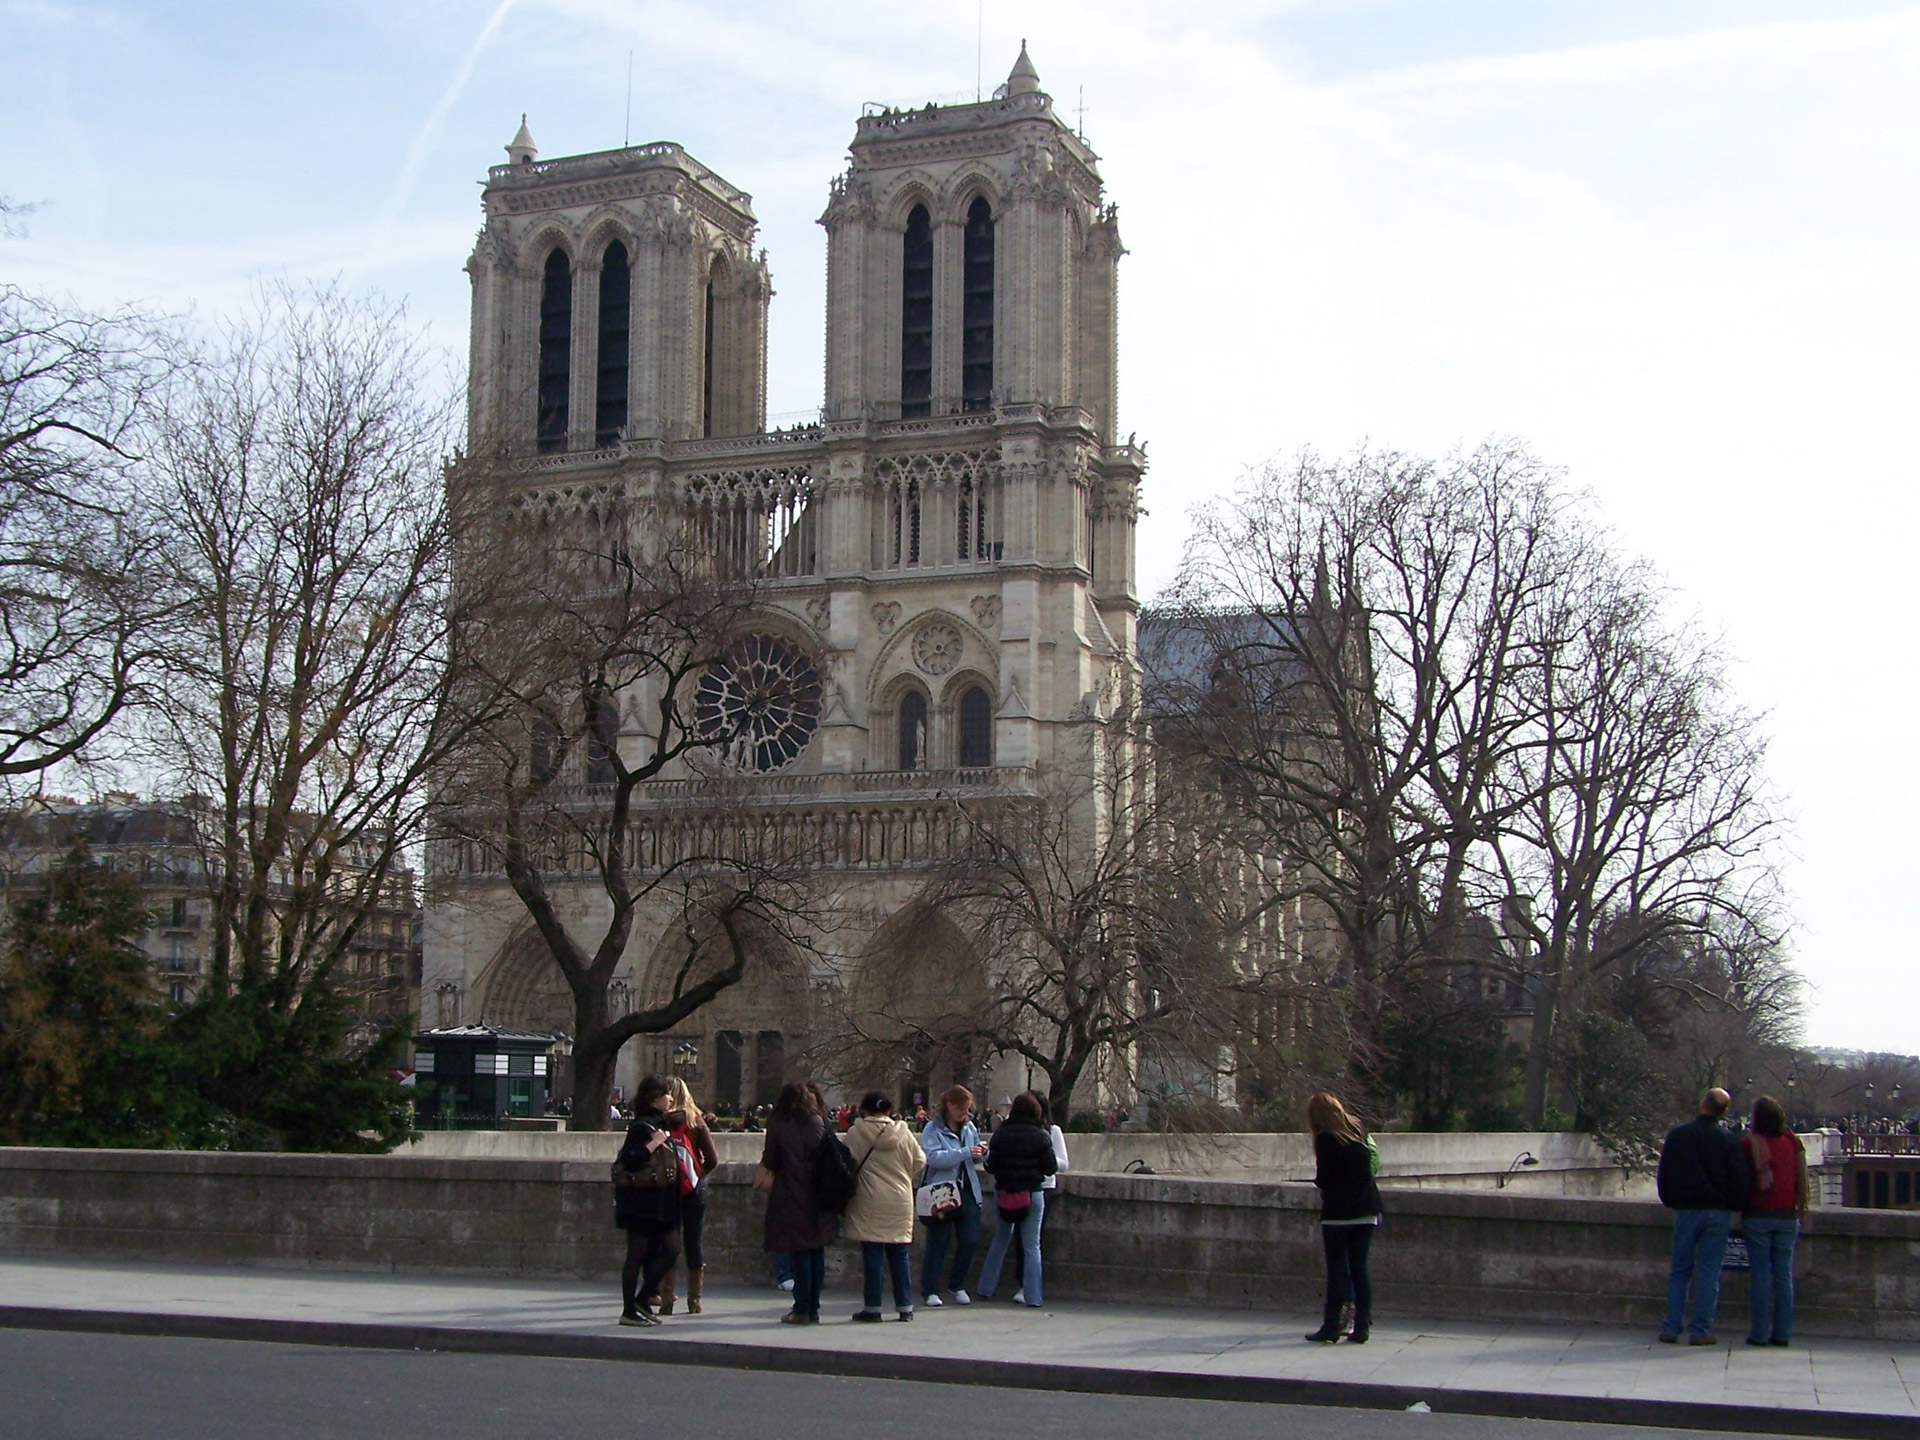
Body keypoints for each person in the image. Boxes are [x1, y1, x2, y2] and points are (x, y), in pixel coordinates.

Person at [1655, 1087, 1752, 1345]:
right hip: (1718, 1211)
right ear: (1724, 1112)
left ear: (1702, 1105)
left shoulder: (1678, 1135)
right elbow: (1739, 1178)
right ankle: (1700, 1329)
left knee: (1680, 1271)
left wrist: (1670, 1199)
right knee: (1709, 1272)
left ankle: (1672, 1326)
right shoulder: (1729, 1139)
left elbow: (1665, 1173)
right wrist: (1734, 1203)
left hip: (1687, 1209)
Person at [1304, 1090, 1381, 1344]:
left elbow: (1324, 1179)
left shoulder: (1326, 1139)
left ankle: (1331, 1325)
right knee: (1360, 1269)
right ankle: (1362, 1326)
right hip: (1367, 1208)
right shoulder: (1358, 1129)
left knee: (1338, 1270)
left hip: (1338, 1213)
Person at [759, 1080, 837, 1324]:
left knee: (800, 1251)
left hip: (791, 1192)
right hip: (819, 1192)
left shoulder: (779, 1124)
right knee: (817, 1250)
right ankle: (813, 1306)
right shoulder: (821, 1122)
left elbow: (770, 1161)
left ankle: (802, 1307)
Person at [843, 1090, 925, 1321]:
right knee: (899, 1253)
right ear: (889, 1111)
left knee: (872, 1253)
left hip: (869, 1198)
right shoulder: (904, 1134)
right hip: (900, 1199)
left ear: (865, 1110)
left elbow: (846, 1163)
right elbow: (920, 1160)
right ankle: (905, 1306)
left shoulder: (855, 1133)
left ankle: (873, 1307)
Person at [975, 1090, 1057, 1307]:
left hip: (1005, 1191)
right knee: (1032, 1245)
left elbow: (991, 1165)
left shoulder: (1002, 1134)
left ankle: (985, 1287)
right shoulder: (1041, 1135)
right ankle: (1034, 1296)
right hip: (1031, 1192)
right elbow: (1050, 1168)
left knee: (1000, 1239)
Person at [614, 1074, 682, 1327]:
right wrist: (654, 1144)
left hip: (661, 1201)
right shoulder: (642, 1127)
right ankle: (629, 1309)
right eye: (666, 1095)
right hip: (642, 1201)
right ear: (655, 1099)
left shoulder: (658, 1124)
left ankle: (642, 1299)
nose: (671, 1098)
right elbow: (632, 1159)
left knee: (672, 1248)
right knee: (637, 1253)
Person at [1742, 1094, 1808, 1348]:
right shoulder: (1793, 1141)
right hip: (1787, 1214)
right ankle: (1783, 1333)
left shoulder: (1749, 1143)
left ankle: (1758, 1333)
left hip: (1758, 1213)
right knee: (1783, 1275)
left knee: (1760, 1275)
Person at [650, 1076, 719, 1316]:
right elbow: (713, 1159)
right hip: (694, 1190)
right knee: (694, 1241)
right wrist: (697, 1175)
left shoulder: (659, 1123)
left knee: (668, 1243)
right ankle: (694, 1300)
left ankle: (667, 1298)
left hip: (667, 1190)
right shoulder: (696, 1121)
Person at [918, 1085, 987, 1307]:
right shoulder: (933, 1129)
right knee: (938, 1242)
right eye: (960, 1109)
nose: (963, 1114)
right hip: (942, 1191)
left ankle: (957, 1284)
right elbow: (933, 1158)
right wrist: (965, 1152)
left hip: (967, 1189)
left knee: (970, 1240)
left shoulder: (969, 1128)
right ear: (949, 1105)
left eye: (966, 1109)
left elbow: (972, 1159)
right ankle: (930, 1289)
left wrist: (981, 1154)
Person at [1012, 1093, 1070, 1305]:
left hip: (1043, 1187)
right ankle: (1024, 1285)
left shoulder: (1052, 1132)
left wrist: (1038, 1156)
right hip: (1020, 1185)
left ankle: (1027, 1287)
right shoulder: (1022, 1131)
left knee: (1033, 1240)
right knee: (1020, 1239)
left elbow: (1063, 1163)